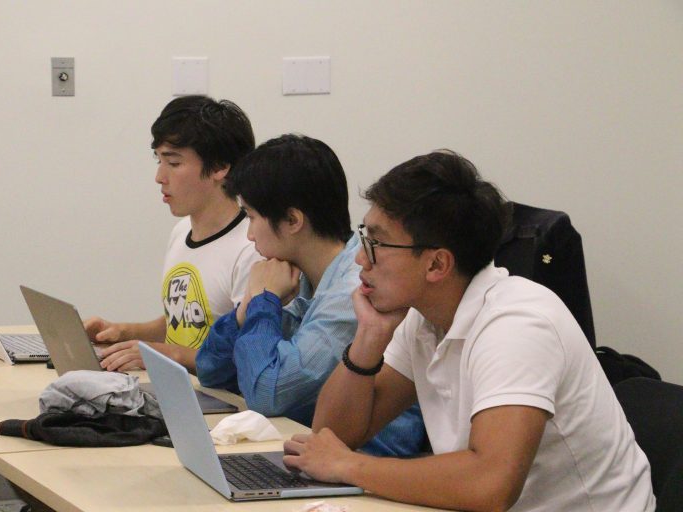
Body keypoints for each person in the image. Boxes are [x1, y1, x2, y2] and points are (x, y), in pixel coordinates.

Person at [283, 151, 655, 511]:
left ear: (436, 264)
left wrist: (349, 466)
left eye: (375, 243)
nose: (361, 259)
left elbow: (490, 485)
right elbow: (332, 437)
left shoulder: (517, 325)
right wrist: (368, 339)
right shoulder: (424, 317)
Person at [196, 134, 425, 457]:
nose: (249, 235)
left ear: (292, 220)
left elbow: (267, 393)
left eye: (251, 216)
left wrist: (264, 302)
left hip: (373, 461)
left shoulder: (357, 288)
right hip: (313, 449)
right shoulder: (296, 276)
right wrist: (245, 311)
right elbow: (210, 371)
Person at [84, 95, 261, 372]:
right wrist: (122, 332)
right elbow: (185, 324)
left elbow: (246, 356)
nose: (159, 177)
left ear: (219, 167)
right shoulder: (181, 232)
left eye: (174, 163)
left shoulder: (250, 248)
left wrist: (165, 356)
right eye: (159, 160)